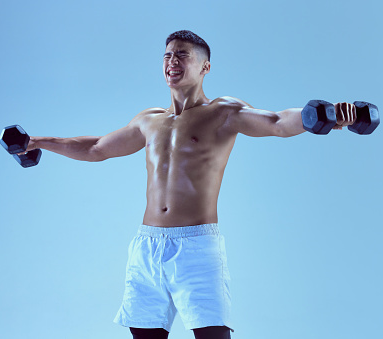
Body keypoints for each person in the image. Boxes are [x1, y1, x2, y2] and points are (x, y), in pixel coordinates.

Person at [21, 30, 357, 339]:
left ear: (205, 67)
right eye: (167, 56)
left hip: (196, 247)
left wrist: (322, 115)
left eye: (182, 55)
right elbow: (96, 148)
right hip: (147, 248)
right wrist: (39, 141)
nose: (172, 62)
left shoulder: (222, 112)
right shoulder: (148, 120)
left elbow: (277, 122)